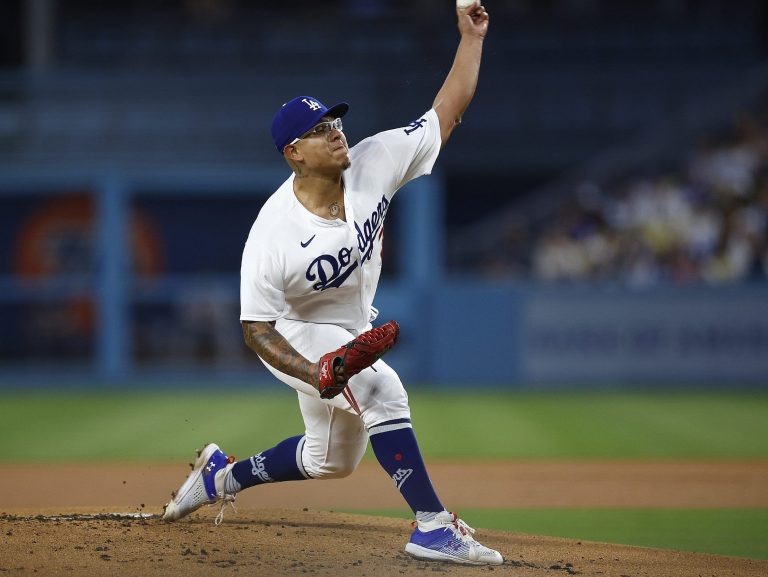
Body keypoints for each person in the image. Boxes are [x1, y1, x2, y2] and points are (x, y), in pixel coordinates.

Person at [162, 3, 502, 566]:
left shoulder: (375, 159)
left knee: (331, 461)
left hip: (347, 327)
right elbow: (255, 328)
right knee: (381, 390)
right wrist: (312, 370)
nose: (336, 133)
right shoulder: (272, 234)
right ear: (293, 153)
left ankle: (222, 476)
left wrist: (471, 38)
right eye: (319, 131)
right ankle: (433, 526)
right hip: (293, 334)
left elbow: (447, 111)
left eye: (335, 122)